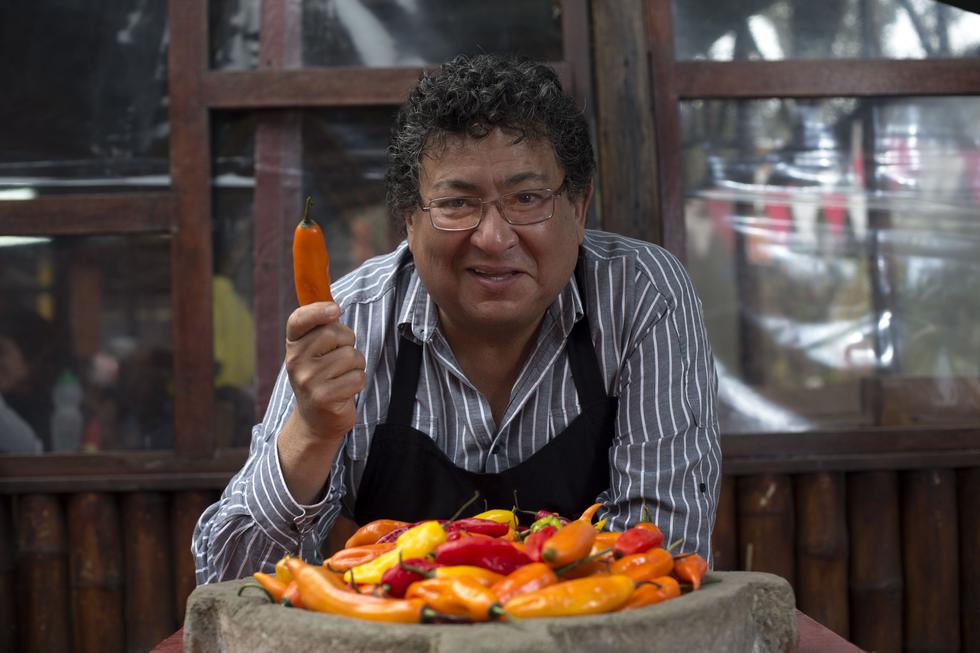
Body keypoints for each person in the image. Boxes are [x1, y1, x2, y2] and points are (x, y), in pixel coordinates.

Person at [193, 54, 721, 584]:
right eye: (456, 204)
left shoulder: (642, 297)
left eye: (527, 198)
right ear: (408, 218)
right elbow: (228, 582)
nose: (494, 238)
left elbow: (662, 555)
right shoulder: (348, 321)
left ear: (579, 208)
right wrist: (310, 433)